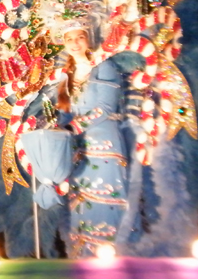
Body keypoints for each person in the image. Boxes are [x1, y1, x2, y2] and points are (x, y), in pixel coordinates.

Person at [32, 22, 129, 258]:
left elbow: (105, 108)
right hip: (78, 152)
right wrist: (50, 127)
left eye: (80, 38)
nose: (75, 44)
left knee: (105, 201)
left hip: (104, 146)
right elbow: (64, 112)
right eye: (69, 39)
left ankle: (113, 261)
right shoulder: (65, 77)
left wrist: (71, 127)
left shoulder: (104, 67)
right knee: (81, 205)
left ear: (89, 39)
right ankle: (84, 264)